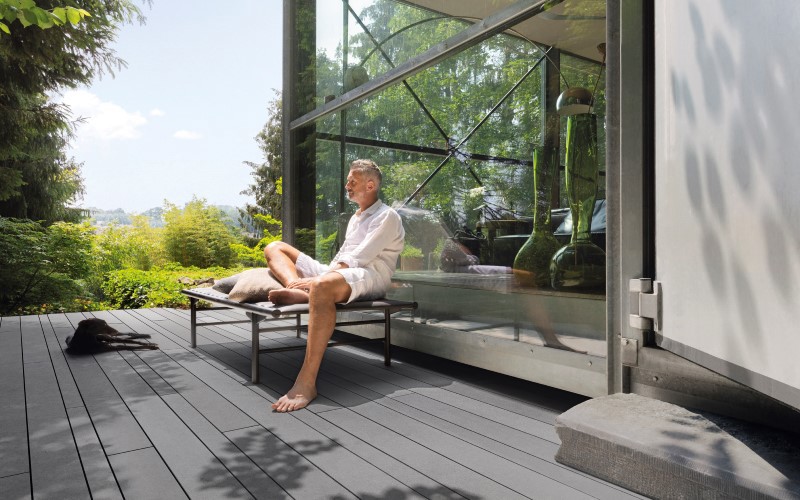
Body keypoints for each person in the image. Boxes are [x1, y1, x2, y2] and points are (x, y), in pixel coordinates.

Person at [263, 159, 405, 412]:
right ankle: (298, 288)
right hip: (340, 271)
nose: (347, 185)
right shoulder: (356, 217)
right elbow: (343, 255)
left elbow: (360, 257)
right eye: (348, 180)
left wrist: (321, 279)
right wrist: (319, 275)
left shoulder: (387, 216)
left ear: (370, 185)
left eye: (353, 181)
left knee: (321, 284)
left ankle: (307, 382)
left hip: (369, 275)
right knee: (275, 247)